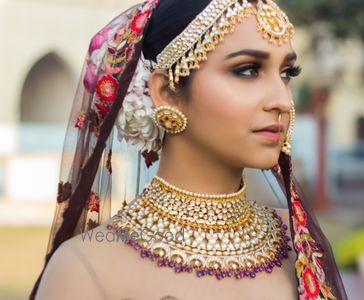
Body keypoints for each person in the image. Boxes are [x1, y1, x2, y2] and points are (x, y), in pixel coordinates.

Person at [30, 0, 347, 299]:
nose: (282, 100)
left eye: (287, 73)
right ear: (166, 92)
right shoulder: (87, 269)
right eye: (248, 70)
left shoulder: (298, 244)